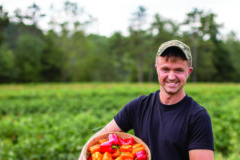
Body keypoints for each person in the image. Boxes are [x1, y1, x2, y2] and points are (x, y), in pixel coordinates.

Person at [79, 40, 214, 160]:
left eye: (178, 70)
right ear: (157, 70)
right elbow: (99, 138)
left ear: (188, 72)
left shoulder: (197, 117)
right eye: (165, 69)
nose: (171, 76)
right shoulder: (138, 106)